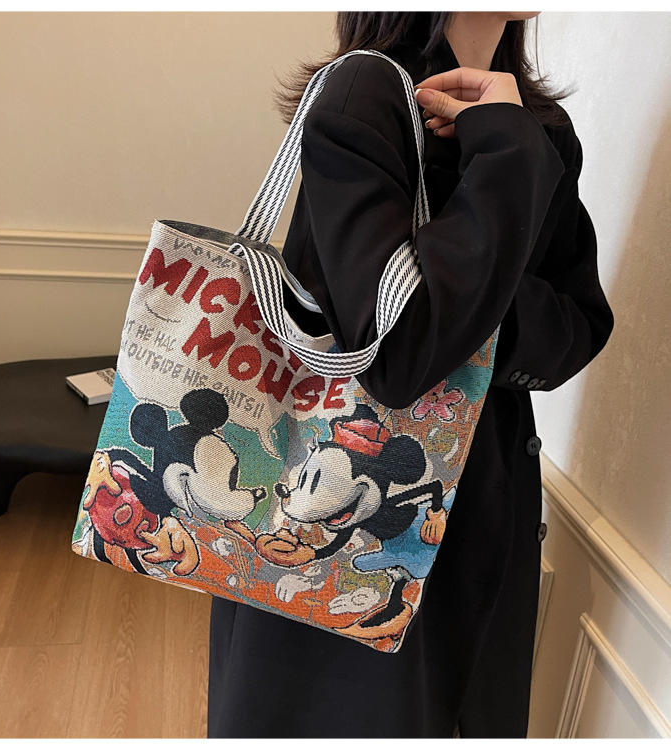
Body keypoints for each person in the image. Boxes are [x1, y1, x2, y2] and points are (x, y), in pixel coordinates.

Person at [206, 11, 613, 738]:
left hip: (480, 515)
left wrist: (460, 302)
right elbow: (397, 355)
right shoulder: (365, 94)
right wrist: (503, 151)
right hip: (342, 527)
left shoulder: (537, 125)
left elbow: (579, 326)